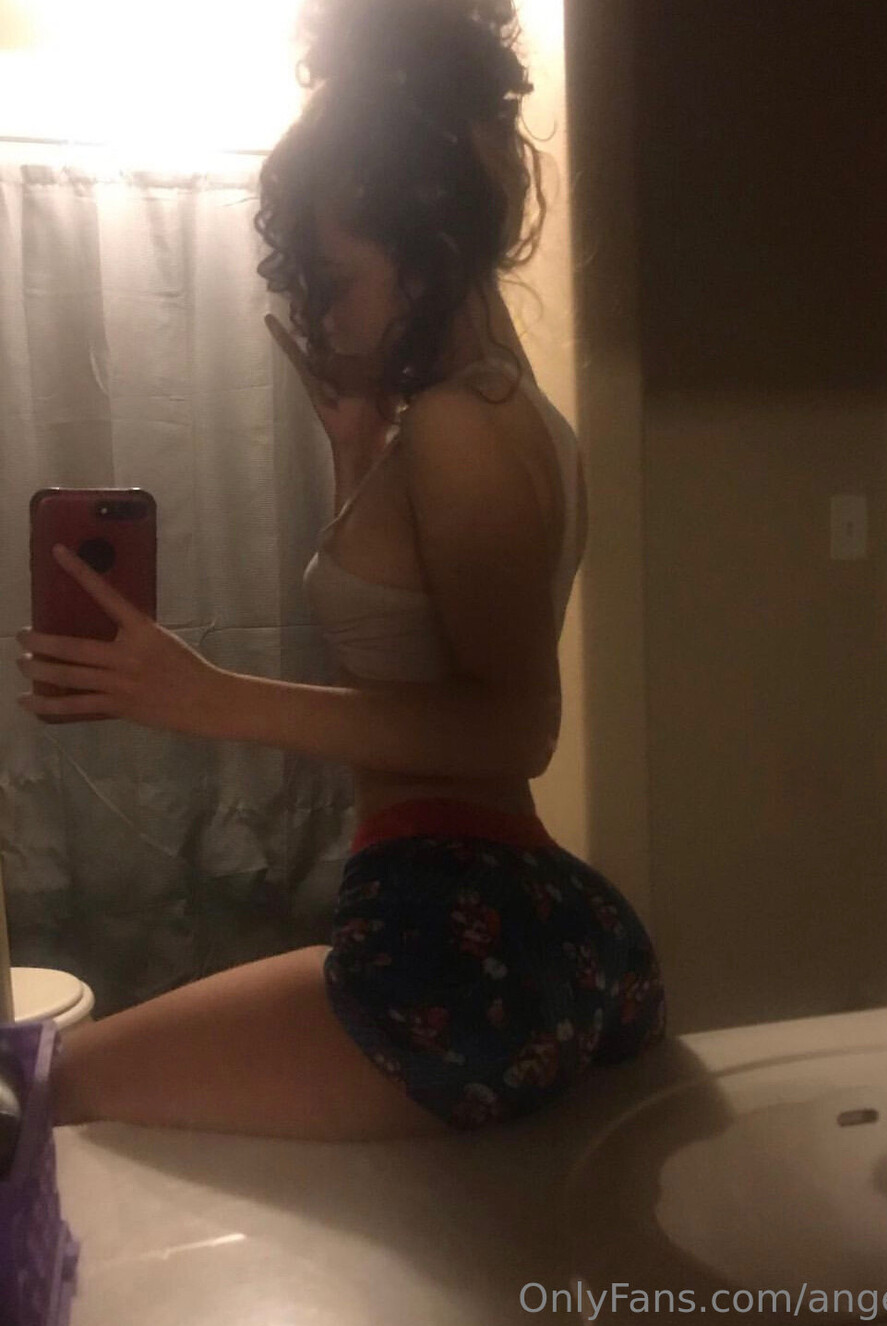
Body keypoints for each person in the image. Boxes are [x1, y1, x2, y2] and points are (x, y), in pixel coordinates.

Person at [13, 0, 665, 1140]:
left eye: (334, 277)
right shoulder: (493, 414)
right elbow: (408, 644)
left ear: (428, 255)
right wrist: (357, 449)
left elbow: (517, 727)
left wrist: (202, 696)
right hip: (501, 908)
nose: (317, 310)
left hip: (457, 914)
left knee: (38, 1092)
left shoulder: (464, 428)